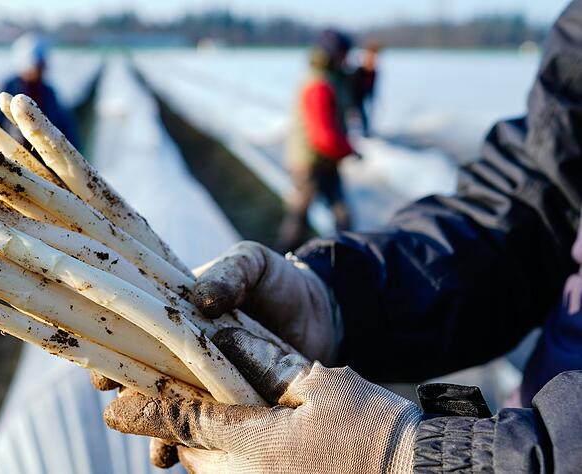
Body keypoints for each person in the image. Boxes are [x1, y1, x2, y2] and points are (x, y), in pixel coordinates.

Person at [102, 2, 582, 472]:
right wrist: (339, 298)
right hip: (531, 406)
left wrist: (446, 458)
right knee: (312, 208)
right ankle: (299, 250)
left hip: (522, 439)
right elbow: (533, 204)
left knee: (321, 208)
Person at [279, 29, 358, 253]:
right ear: (333, 54)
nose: (348, 59)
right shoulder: (319, 85)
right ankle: (280, 261)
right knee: (298, 219)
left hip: (324, 161)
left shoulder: (331, 79)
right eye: (344, 54)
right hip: (309, 163)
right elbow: (324, 136)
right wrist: (349, 149)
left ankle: (347, 258)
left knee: (342, 216)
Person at [0, 33, 80, 151]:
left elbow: (65, 124)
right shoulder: (7, 87)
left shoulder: (49, 92)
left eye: (41, 67)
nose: (40, 72)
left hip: (44, 152)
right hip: (14, 151)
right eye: (37, 67)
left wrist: (73, 149)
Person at [350, 41, 380, 137]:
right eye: (370, 58)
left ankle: (366, 134)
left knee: (365, 117)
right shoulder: (358, 72)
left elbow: (372, 87)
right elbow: (351, 90)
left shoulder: (373, 72)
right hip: (354, 99)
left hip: (364, 97)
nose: (373, 61)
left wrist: (372, 97)